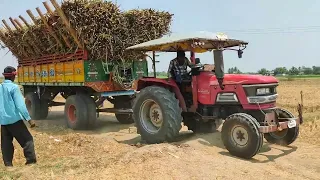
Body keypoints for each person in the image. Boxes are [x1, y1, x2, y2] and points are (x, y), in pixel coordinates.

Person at [0, 66, 37, 167]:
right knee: (27, 140)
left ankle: (8, 165)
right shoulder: (14, 88)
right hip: (14, 120)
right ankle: (31, 162)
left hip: (3, 122)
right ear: (13, 76)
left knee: (6, 143)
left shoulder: (0, 87)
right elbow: (20, 105)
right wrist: (29, 120)